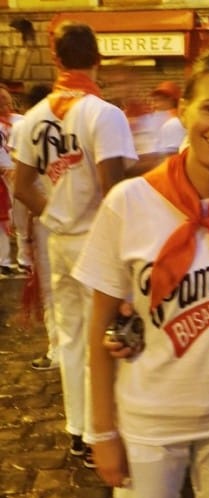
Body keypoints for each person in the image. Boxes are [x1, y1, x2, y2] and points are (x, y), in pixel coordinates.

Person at [72, 47, 209, 498]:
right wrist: (102, 432)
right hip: (149, 419)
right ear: (183, 110)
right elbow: (97, 326)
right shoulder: (129, 202)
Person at [13, 22, 137, 467]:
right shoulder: (104, 115)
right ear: (96, 59)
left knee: (68, 336)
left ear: (58, 59)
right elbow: (114, 190)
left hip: (56, 240)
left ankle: (76, 431)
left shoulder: (32, 118)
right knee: (100, 335)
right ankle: (99, 431)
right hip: (94, 239)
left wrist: (56, 215)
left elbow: (23, 186)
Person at [8, 83, 59, 370]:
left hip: (46, 217)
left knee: (52, 291)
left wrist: (24, 234)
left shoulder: (27, 126)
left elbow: (21, 185)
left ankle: (57, 350)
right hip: (77, 217)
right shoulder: (73, 122)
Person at [0, 84, 24, 276]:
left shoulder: (22, 121)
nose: (4, 105)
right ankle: (4, 260)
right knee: (2, 220)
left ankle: (25, 259)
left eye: (6, 100)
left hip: (21, 175)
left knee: (22, 217)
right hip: (3, 178)